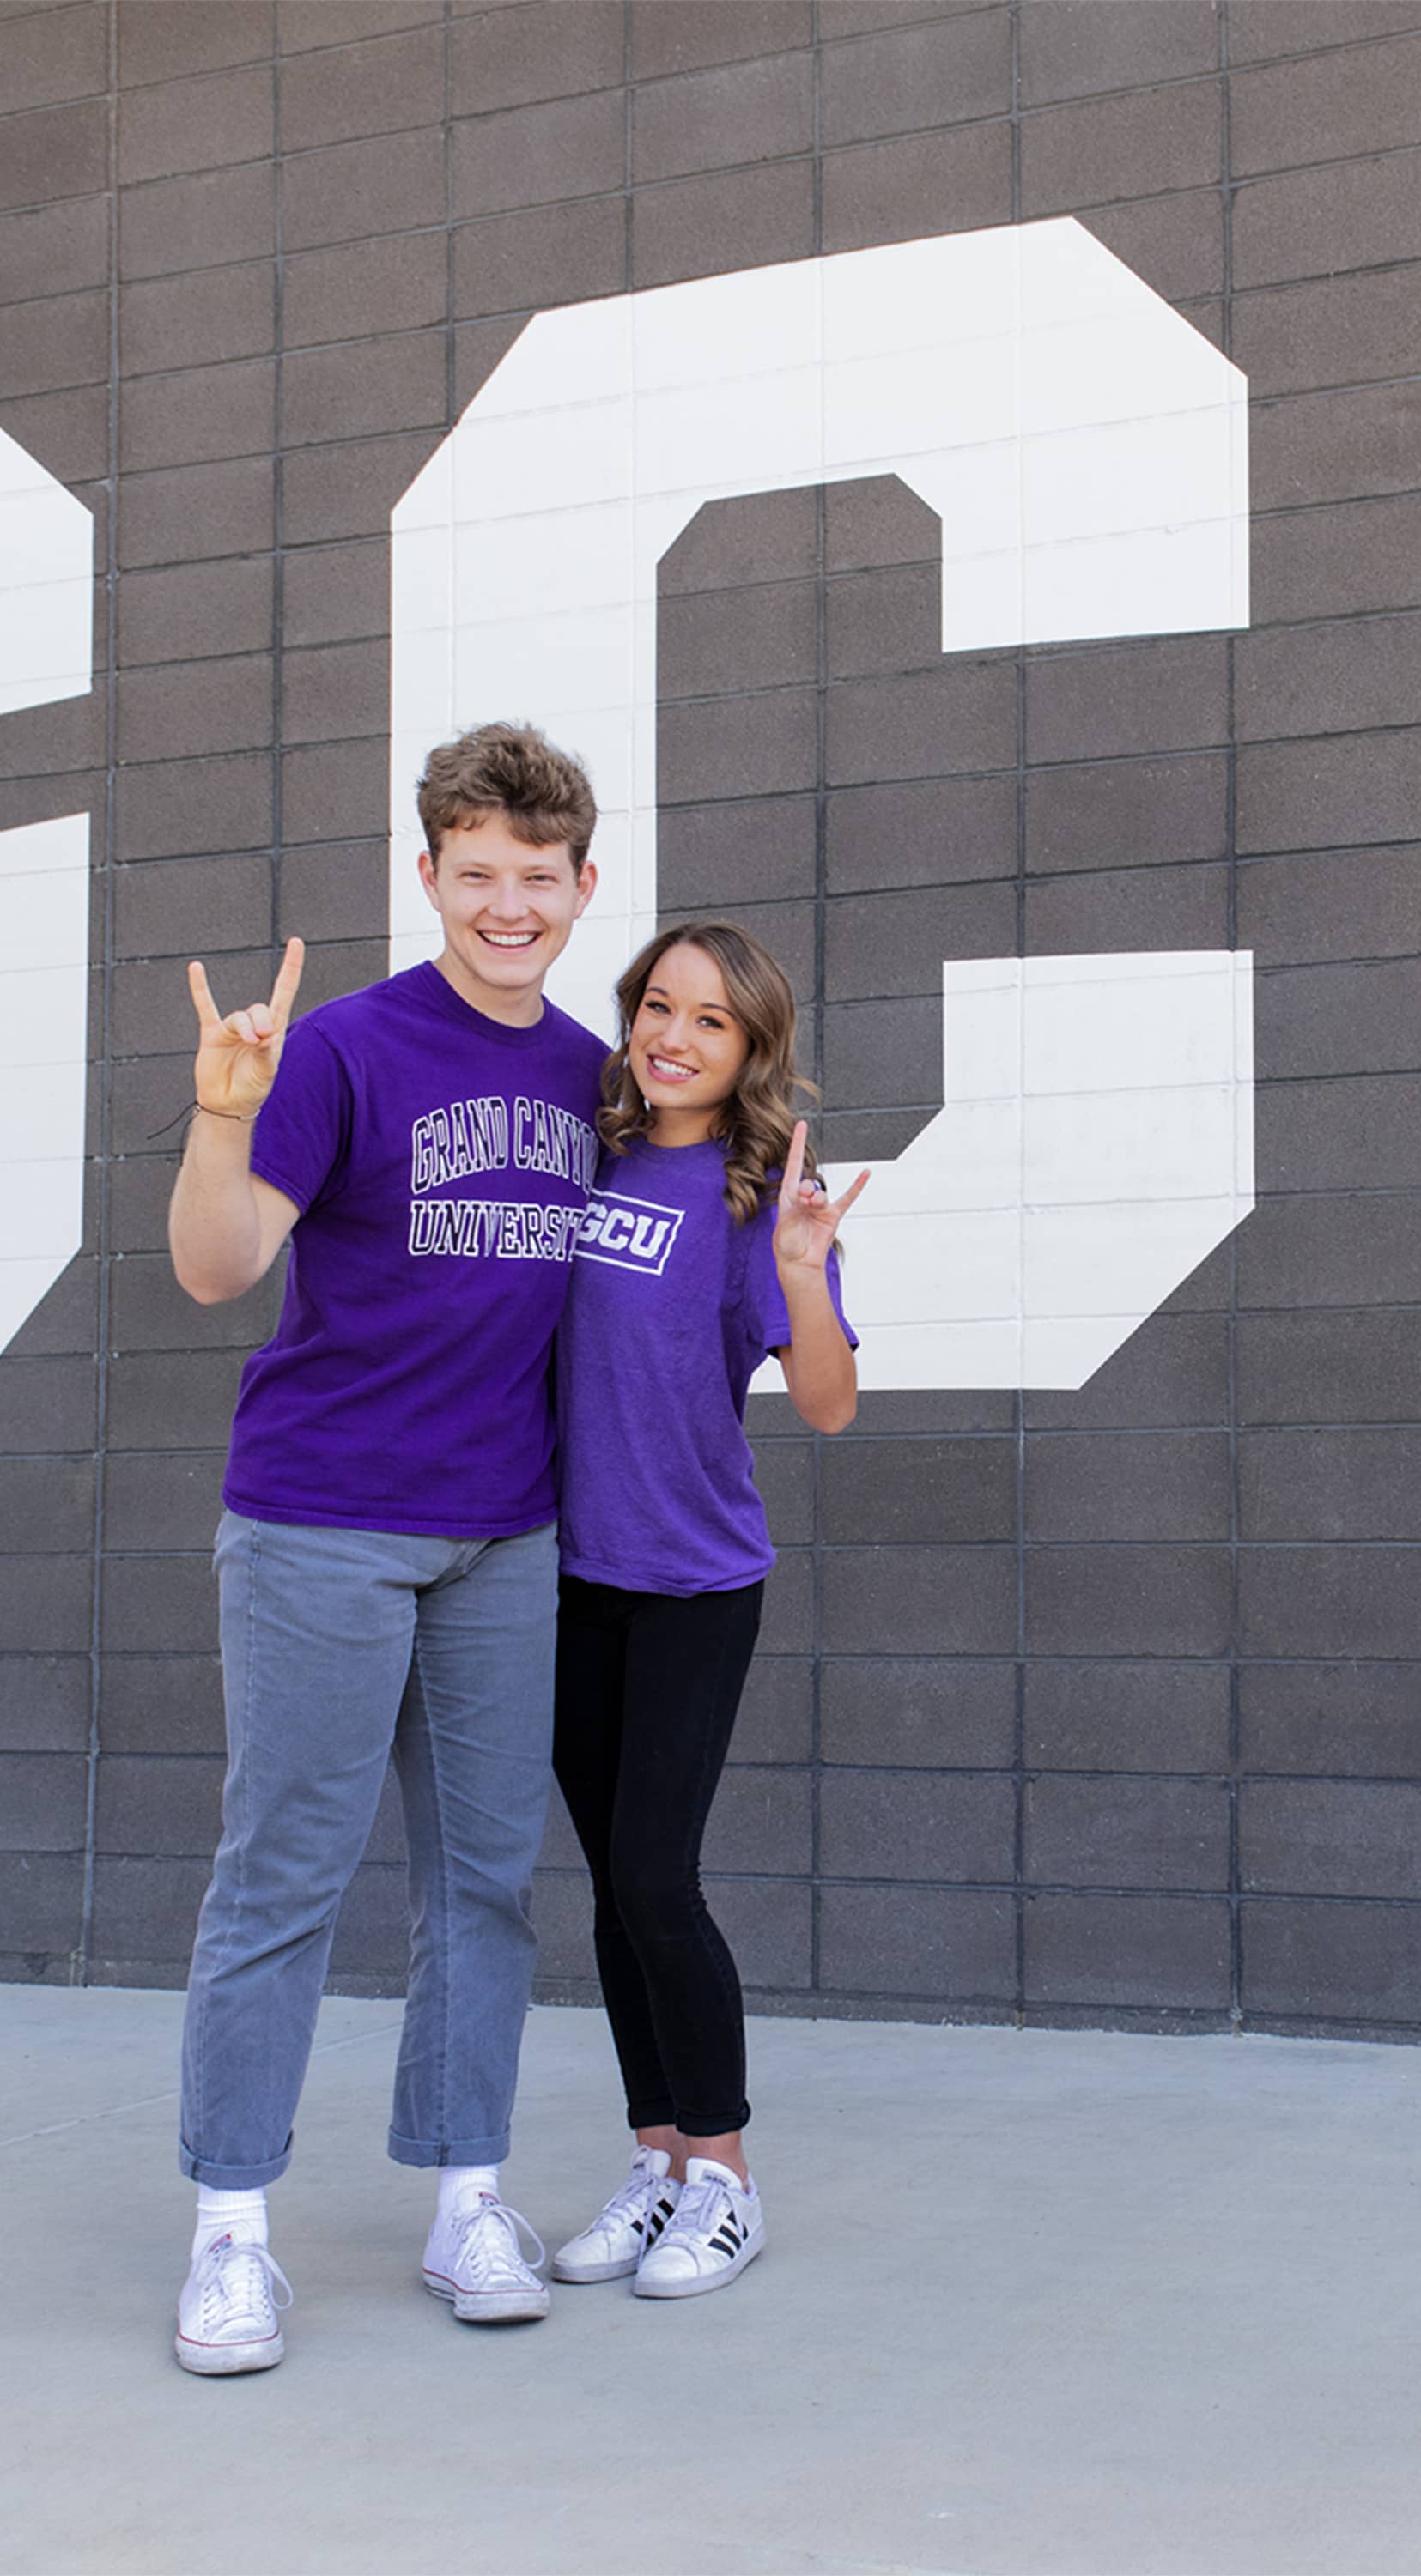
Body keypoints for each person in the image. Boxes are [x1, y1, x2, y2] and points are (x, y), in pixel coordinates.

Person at [168, 723, 606, 2374]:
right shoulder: (344, 1053)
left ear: (580, 889)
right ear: (428, 876)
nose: (507, 904)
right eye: (474, 873)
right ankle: (229, 2231)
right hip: (322, 1522)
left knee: (485, 1882)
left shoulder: (589, 1077)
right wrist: (225, 1120)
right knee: (283, 1874)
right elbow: (220, 1270)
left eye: (536, 879)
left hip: (508, 1537)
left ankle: (465, 2198)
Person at [549, 920, 867, 2300]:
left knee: (658, 1878)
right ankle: (659, 2157)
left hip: (693, 1583)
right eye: (657, 1007)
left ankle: (726, 2175)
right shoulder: (591, 1154)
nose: (674, 1036)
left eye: (711, 1022)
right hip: (564, 1578)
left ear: (750, 1053)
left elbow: (828, 1404)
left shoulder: (754, 1199)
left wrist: (802, 1270)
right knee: (614, 1891)